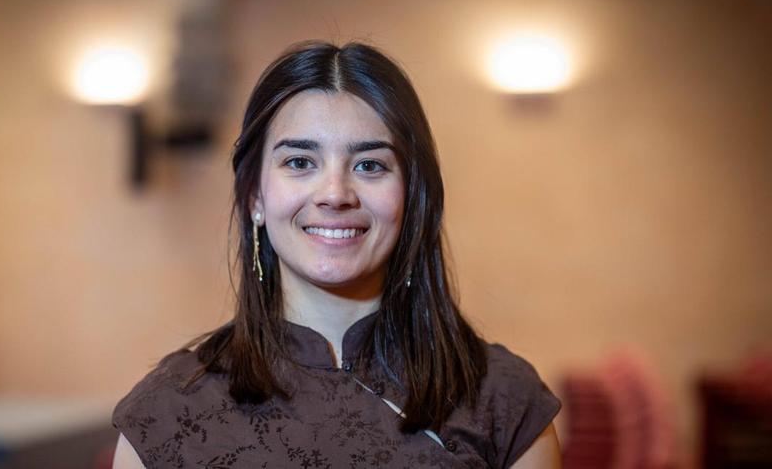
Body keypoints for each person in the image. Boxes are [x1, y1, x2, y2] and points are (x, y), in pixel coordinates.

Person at [111, 41, 561, 469]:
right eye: (300, 162)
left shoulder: (506, 401)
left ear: (412, 198)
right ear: (255, 197)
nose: (335, 193)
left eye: (369, 165)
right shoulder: (164, 414)